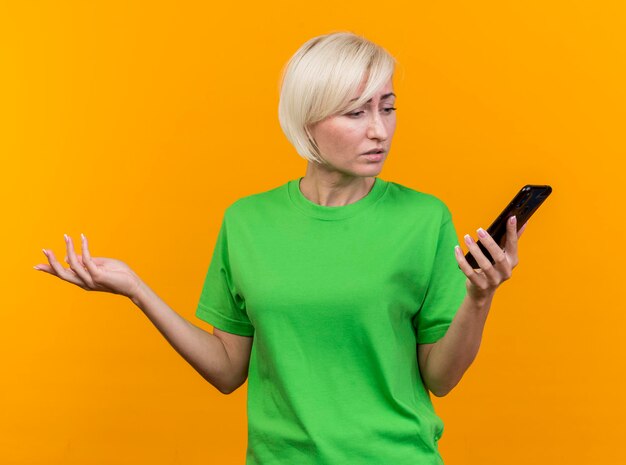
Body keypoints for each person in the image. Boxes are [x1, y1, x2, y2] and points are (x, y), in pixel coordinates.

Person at [34, 31, 527, 465]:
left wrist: (480, 297)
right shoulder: (246, 222)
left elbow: (440, 379)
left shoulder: (424, 218)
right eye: (356, 112)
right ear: (307, 121)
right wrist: (135, 288)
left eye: (388, 107)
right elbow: (228, 370)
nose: (379, 129)